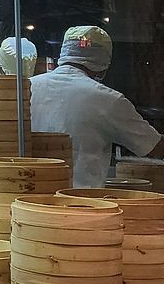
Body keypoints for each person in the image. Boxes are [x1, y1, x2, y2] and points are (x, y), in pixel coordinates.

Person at [30, 25, 164, 188]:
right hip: (81, 200)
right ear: (104, 64)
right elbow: (154, 146)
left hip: (27, 196)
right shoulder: (109, 100)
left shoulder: (27, 87)